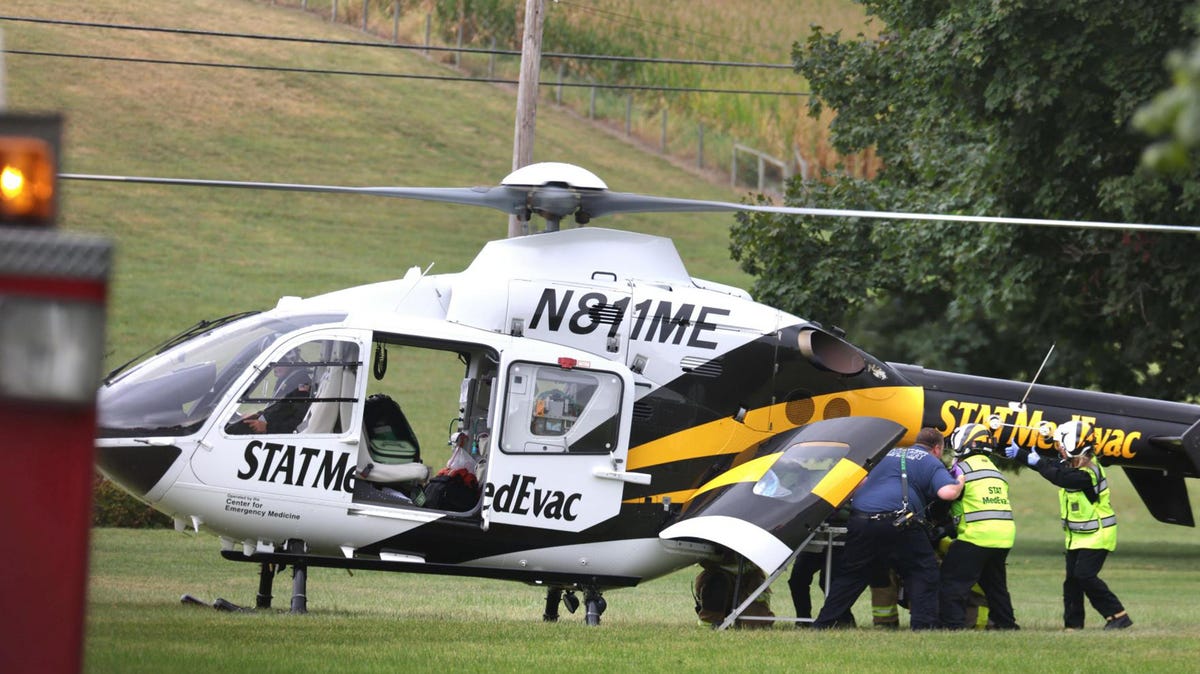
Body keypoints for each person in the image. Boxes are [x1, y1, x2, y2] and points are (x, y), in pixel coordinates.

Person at [811, 427, 964, 630]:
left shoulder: (884, 454)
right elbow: (947, 493)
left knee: (851, 574)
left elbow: (857, 483)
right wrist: (959, 481)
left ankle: (824, 623)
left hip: (862, 520)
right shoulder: (931, 462)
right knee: (922, 571)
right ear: (937, 449)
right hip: (900, 522)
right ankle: (923, 626)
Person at [1006, 420, 1133, 630]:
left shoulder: (1087, 473)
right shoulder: (1072, 465)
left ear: (1073, 445)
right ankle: (1073, 625)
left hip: (1097, 535)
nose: (1059, 449)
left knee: (1085, 576)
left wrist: (1035, 461)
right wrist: (1022, 455)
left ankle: (1118, 615)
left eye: (1061, 445)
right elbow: (1052, 466)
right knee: (1072, 581)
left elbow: (1058, 476)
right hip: (1079, 536)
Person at [938, 423, 1020, 630]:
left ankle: (953, 626)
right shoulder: (995, 470)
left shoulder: (960, 469)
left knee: (952, 582)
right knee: (995, 585)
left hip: (976, 536)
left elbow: (945, 500)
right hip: (1003, 537)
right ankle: (1006, 625)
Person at [788, 506, 855, 627]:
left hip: (837, 537)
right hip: (812, 539)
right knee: (797, 581)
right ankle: (803, 620)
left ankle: (844, 619)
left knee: (829, 581)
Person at [227, 349, 313, 435]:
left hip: (275, 434)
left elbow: (300, 420)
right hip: (267, 424)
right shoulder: (285, 380)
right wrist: (258, 415)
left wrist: (267, 428)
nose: (275, 368)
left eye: (280, 363)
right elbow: (277, 408)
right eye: (274, 364)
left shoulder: (300, 382)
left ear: (290, 361)